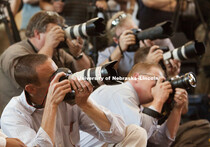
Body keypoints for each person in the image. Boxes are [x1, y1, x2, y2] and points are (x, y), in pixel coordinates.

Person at [1, 54, 147, 146]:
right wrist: (51, 105)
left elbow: (118, 135)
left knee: (135, 132)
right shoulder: (13, 114)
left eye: (59, 72)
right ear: (31, 89)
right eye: (53, 79)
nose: (62, 80)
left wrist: (85, 104)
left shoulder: (68, 99)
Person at [0, 11, 93, 115]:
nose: (60, 36)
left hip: (49, 110)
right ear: (37, 33)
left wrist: (78, 54)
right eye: (54, 32)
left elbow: (83, 72)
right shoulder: (14, 52)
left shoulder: (57, 51)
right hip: (18, 115)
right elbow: (31, 77)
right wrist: (49, 45)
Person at [80, 62, 188, 146]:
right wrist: (158, 100)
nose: (159, 85)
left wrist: (177, 109)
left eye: (162, 82)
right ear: (136, 77)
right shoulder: (119, 90)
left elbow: (160, 142)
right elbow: (138, 136)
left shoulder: (136, 105)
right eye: (156, 79)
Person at [134, 46, 210, 147]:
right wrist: (159, 99)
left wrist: (174, 76)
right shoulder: (135, 88)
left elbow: (184, 110)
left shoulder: (164, 81)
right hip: (145, 139)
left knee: (204, 127)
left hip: (165, 133)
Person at [97, 11, 175, 77]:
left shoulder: (157, 40)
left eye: (135, 30)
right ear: (116, 40)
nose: (134, 36)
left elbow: (175, 67)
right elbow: (101, 76)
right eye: (127, 34)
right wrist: (119, 49)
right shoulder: (108, 53)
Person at [40, 0, 108, 26]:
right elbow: (42, 3)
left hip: (90, 28)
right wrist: (53, 7)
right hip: (66, 27)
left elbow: (104, 3)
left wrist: (102, 2)